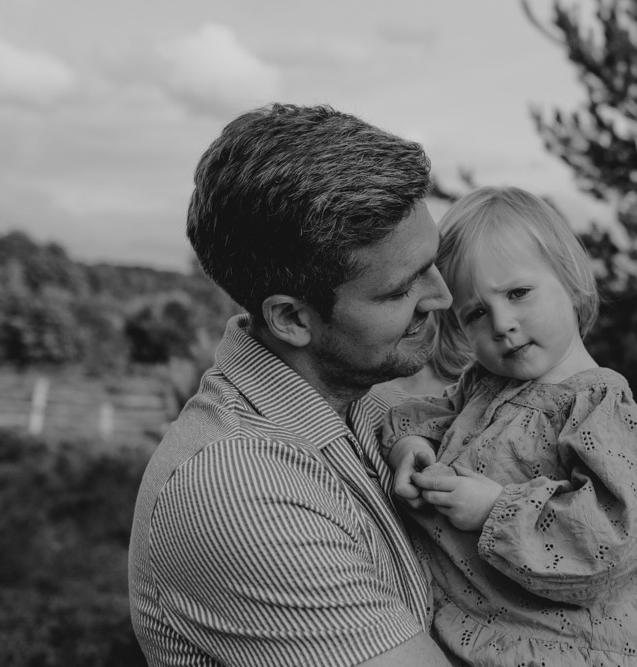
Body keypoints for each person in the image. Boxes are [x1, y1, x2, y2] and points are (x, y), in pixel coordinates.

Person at [128, 103, 457, 667]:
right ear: (292, 319)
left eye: (434, 262)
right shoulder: (236, 489)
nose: (443, 297)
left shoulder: (373, 403)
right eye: (400, 290)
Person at [382, 186, 637, 667]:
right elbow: (428, 413)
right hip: (497, 636)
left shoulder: (596, 403)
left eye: (517, 293)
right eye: (477, 312)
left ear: (570, 282)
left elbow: (617, 534)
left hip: (579, 647)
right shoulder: (485, 385)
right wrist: (410, 444)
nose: (503, 323)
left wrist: (496, 510)